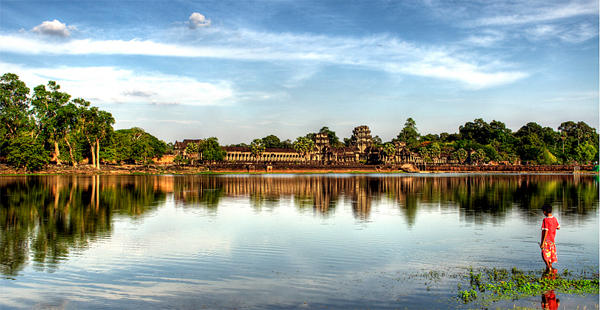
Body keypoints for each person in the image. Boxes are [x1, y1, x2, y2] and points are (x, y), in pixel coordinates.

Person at [540, 204, 560, 272]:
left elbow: (546, 231)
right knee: (551, 254)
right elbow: (558, 227)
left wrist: (542, 243)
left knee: (544, 254)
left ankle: (549, 267)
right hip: (552, 240)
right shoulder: (554, 219)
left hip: (546, 240)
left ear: (545, 212)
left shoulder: (545, 220)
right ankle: (550, 267)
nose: (543, 213)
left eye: (543, 211)